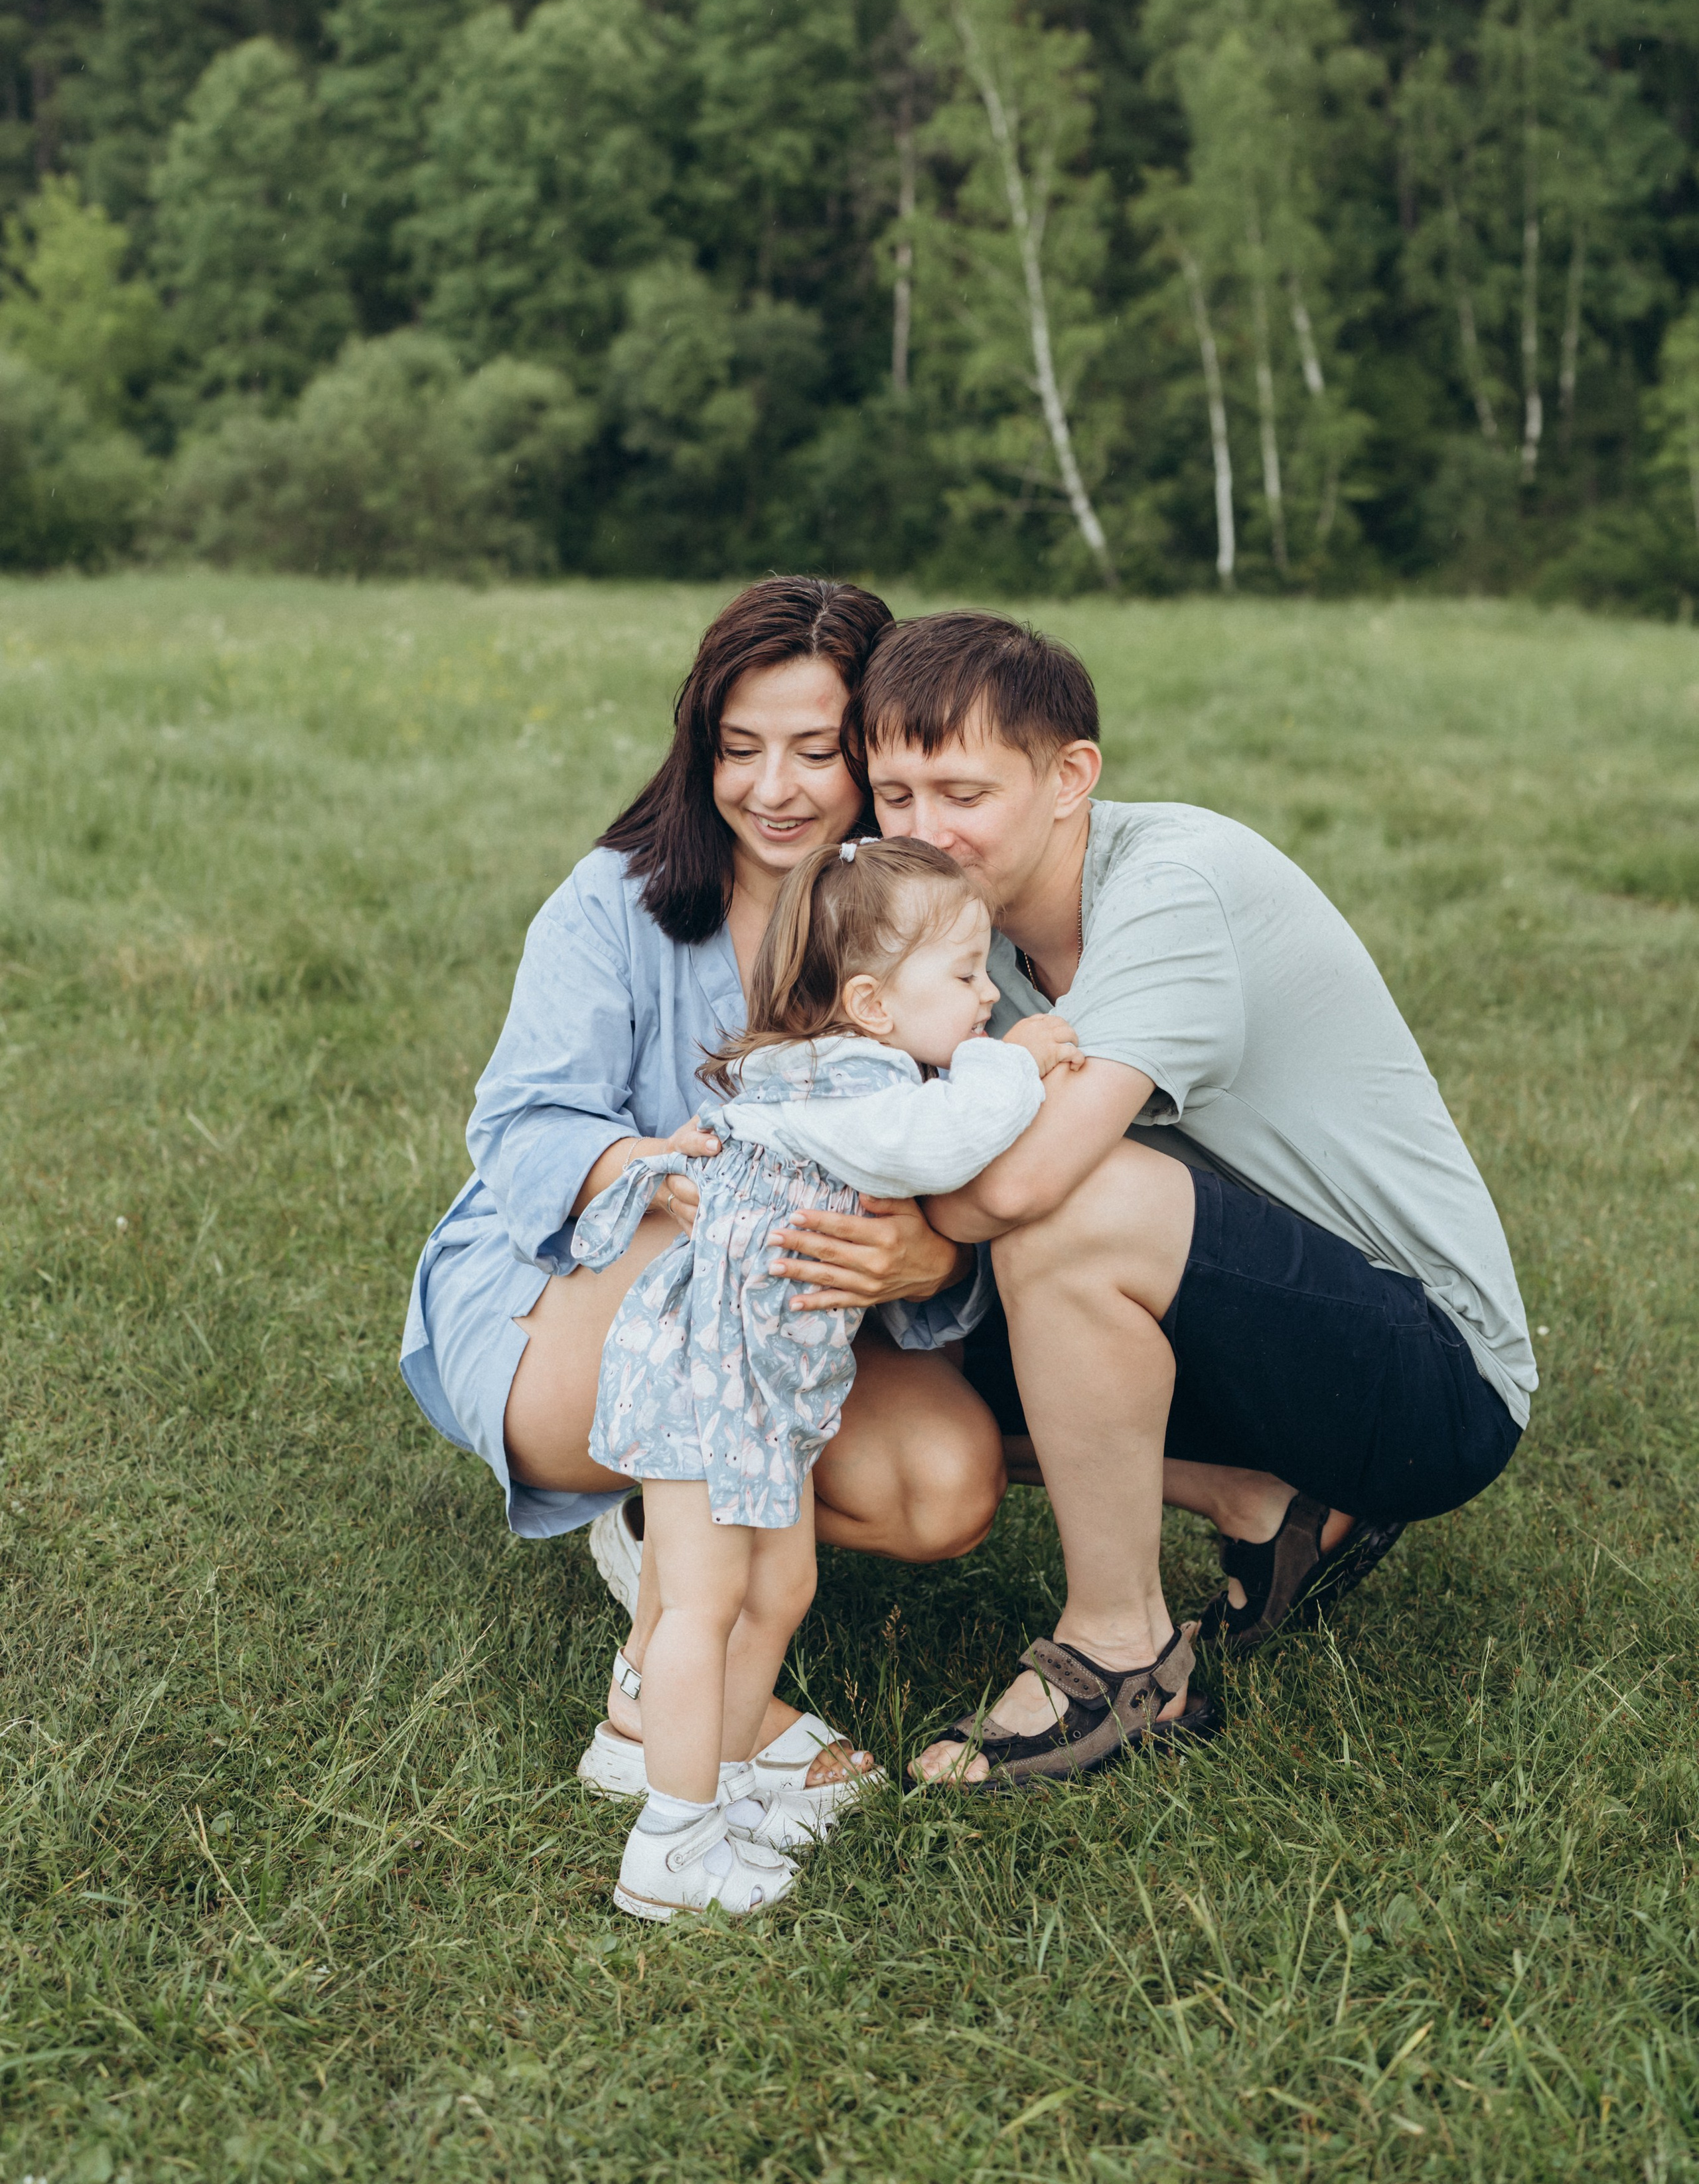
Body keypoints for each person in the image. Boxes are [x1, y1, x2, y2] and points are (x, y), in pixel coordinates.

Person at [827, 610, 1537, 1789]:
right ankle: (1266, 1503)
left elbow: (1021, 1183)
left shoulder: (1174, 886)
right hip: (1254, 1323)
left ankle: (1125, 1660)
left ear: (1071, 777)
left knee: (1062, 1213)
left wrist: (929, 1240)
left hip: (1431, 1379)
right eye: (893, 797)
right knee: (911, 1367)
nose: (923, 834)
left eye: (960, 791)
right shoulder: (970, 938)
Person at [399, 578, 1005, 1804]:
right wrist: (662, 1172)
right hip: (576, 1290)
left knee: (941, 1483)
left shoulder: (935, 930)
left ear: (874, 755)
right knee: (699, 1274)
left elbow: (974, 1157)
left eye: (814, 751)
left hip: (789, 1312)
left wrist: (928, 1263)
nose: (773, 788)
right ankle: (667, 1683)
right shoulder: (617, 900)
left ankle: (653, 1552)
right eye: (739, 749)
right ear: (701, 750)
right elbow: (522, 1124)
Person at [579, 836, 1078, 1919]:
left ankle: (722, 1784)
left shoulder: (849, 1067)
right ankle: (669, 1838)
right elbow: (948, 1140)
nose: (987, 997)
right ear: (872, 1002)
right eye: (964, 977)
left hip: (763, 1392)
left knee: (783, 1589)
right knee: (702, 1606)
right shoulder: (856, 1085)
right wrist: (1017, 1057)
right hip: (713, 1385)